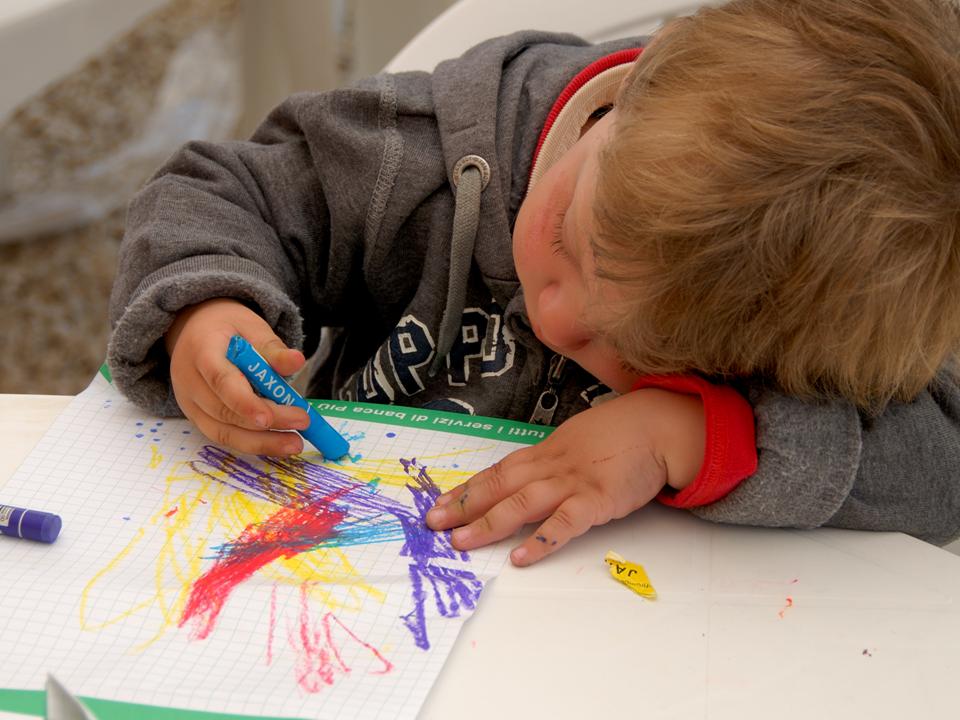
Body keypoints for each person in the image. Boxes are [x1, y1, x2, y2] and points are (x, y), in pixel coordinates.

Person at [108, 0, 960, 567]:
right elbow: (219, 192)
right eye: (567, 239)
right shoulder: (413, 155)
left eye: (633, 352)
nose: (554, 317)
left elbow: (944, 467)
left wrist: (691, 432)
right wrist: (203, 306)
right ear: (631, 92)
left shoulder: (822, 295)